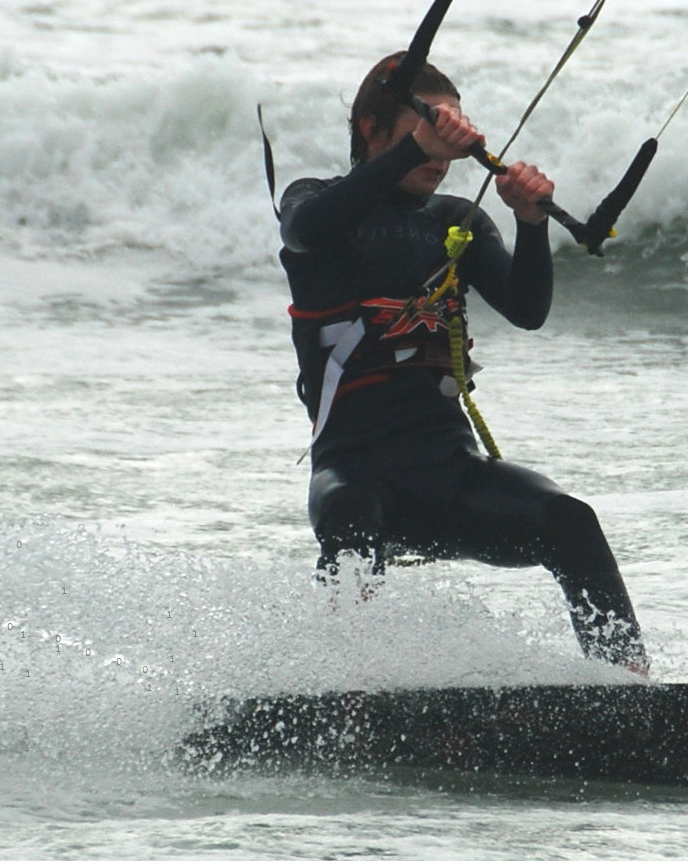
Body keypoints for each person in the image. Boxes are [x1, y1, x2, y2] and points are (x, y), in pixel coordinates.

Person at [276, 51, 647, 671]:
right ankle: (338, 686)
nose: (441, 161)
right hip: (356, 476)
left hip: (451, 477)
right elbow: (306, 230)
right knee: (350, 516)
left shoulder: (455, 221)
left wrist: (530, 225)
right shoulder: (316, 205)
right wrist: (411, 148)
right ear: (373, 132)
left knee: (571, 522)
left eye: (448, 142)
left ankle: (629, 685)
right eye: (423, 140)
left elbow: (527, 308)